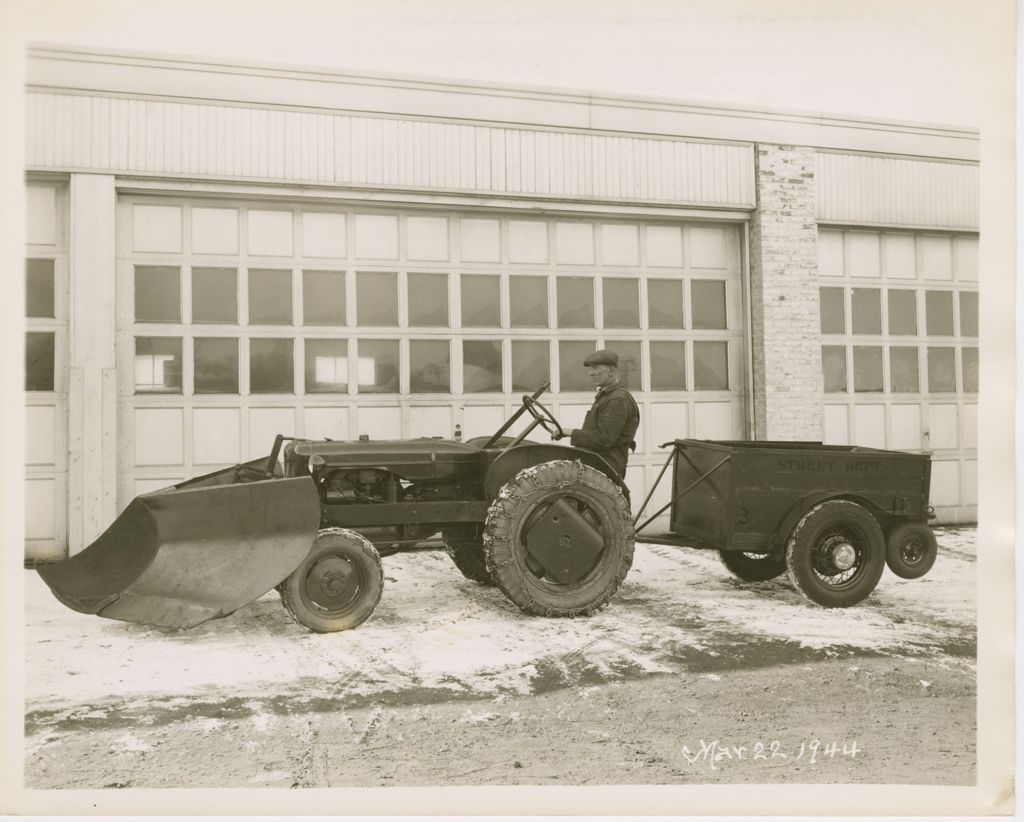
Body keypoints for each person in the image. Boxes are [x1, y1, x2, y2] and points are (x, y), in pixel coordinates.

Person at [552, 349, 639, 480]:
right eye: (590, 369)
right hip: (596, 463)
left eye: (596, 368)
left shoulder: (617, 400)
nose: (590, 373)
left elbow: (603, 440)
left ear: (611, 371)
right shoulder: (607, 396)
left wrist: (570, 432)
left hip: (605, 468)